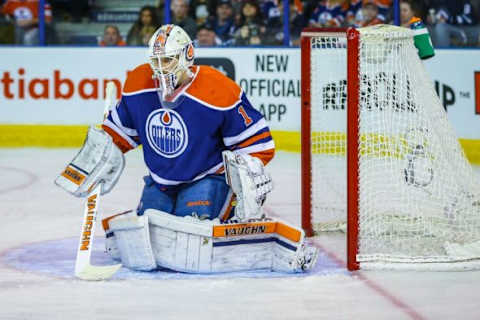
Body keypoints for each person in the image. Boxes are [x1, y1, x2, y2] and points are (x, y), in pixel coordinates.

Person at [56, 24, 318, 274]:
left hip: (205, 177)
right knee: (151, 233)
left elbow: (258, 143)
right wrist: (98, 156)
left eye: (168, 60)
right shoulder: (138, 83)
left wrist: (246, 179)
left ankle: (227, 214)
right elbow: (119, 133)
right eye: (155, 61)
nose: (160, 69)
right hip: (161, 181)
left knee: (189, 233)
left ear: (187, 55)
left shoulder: (219, 90)